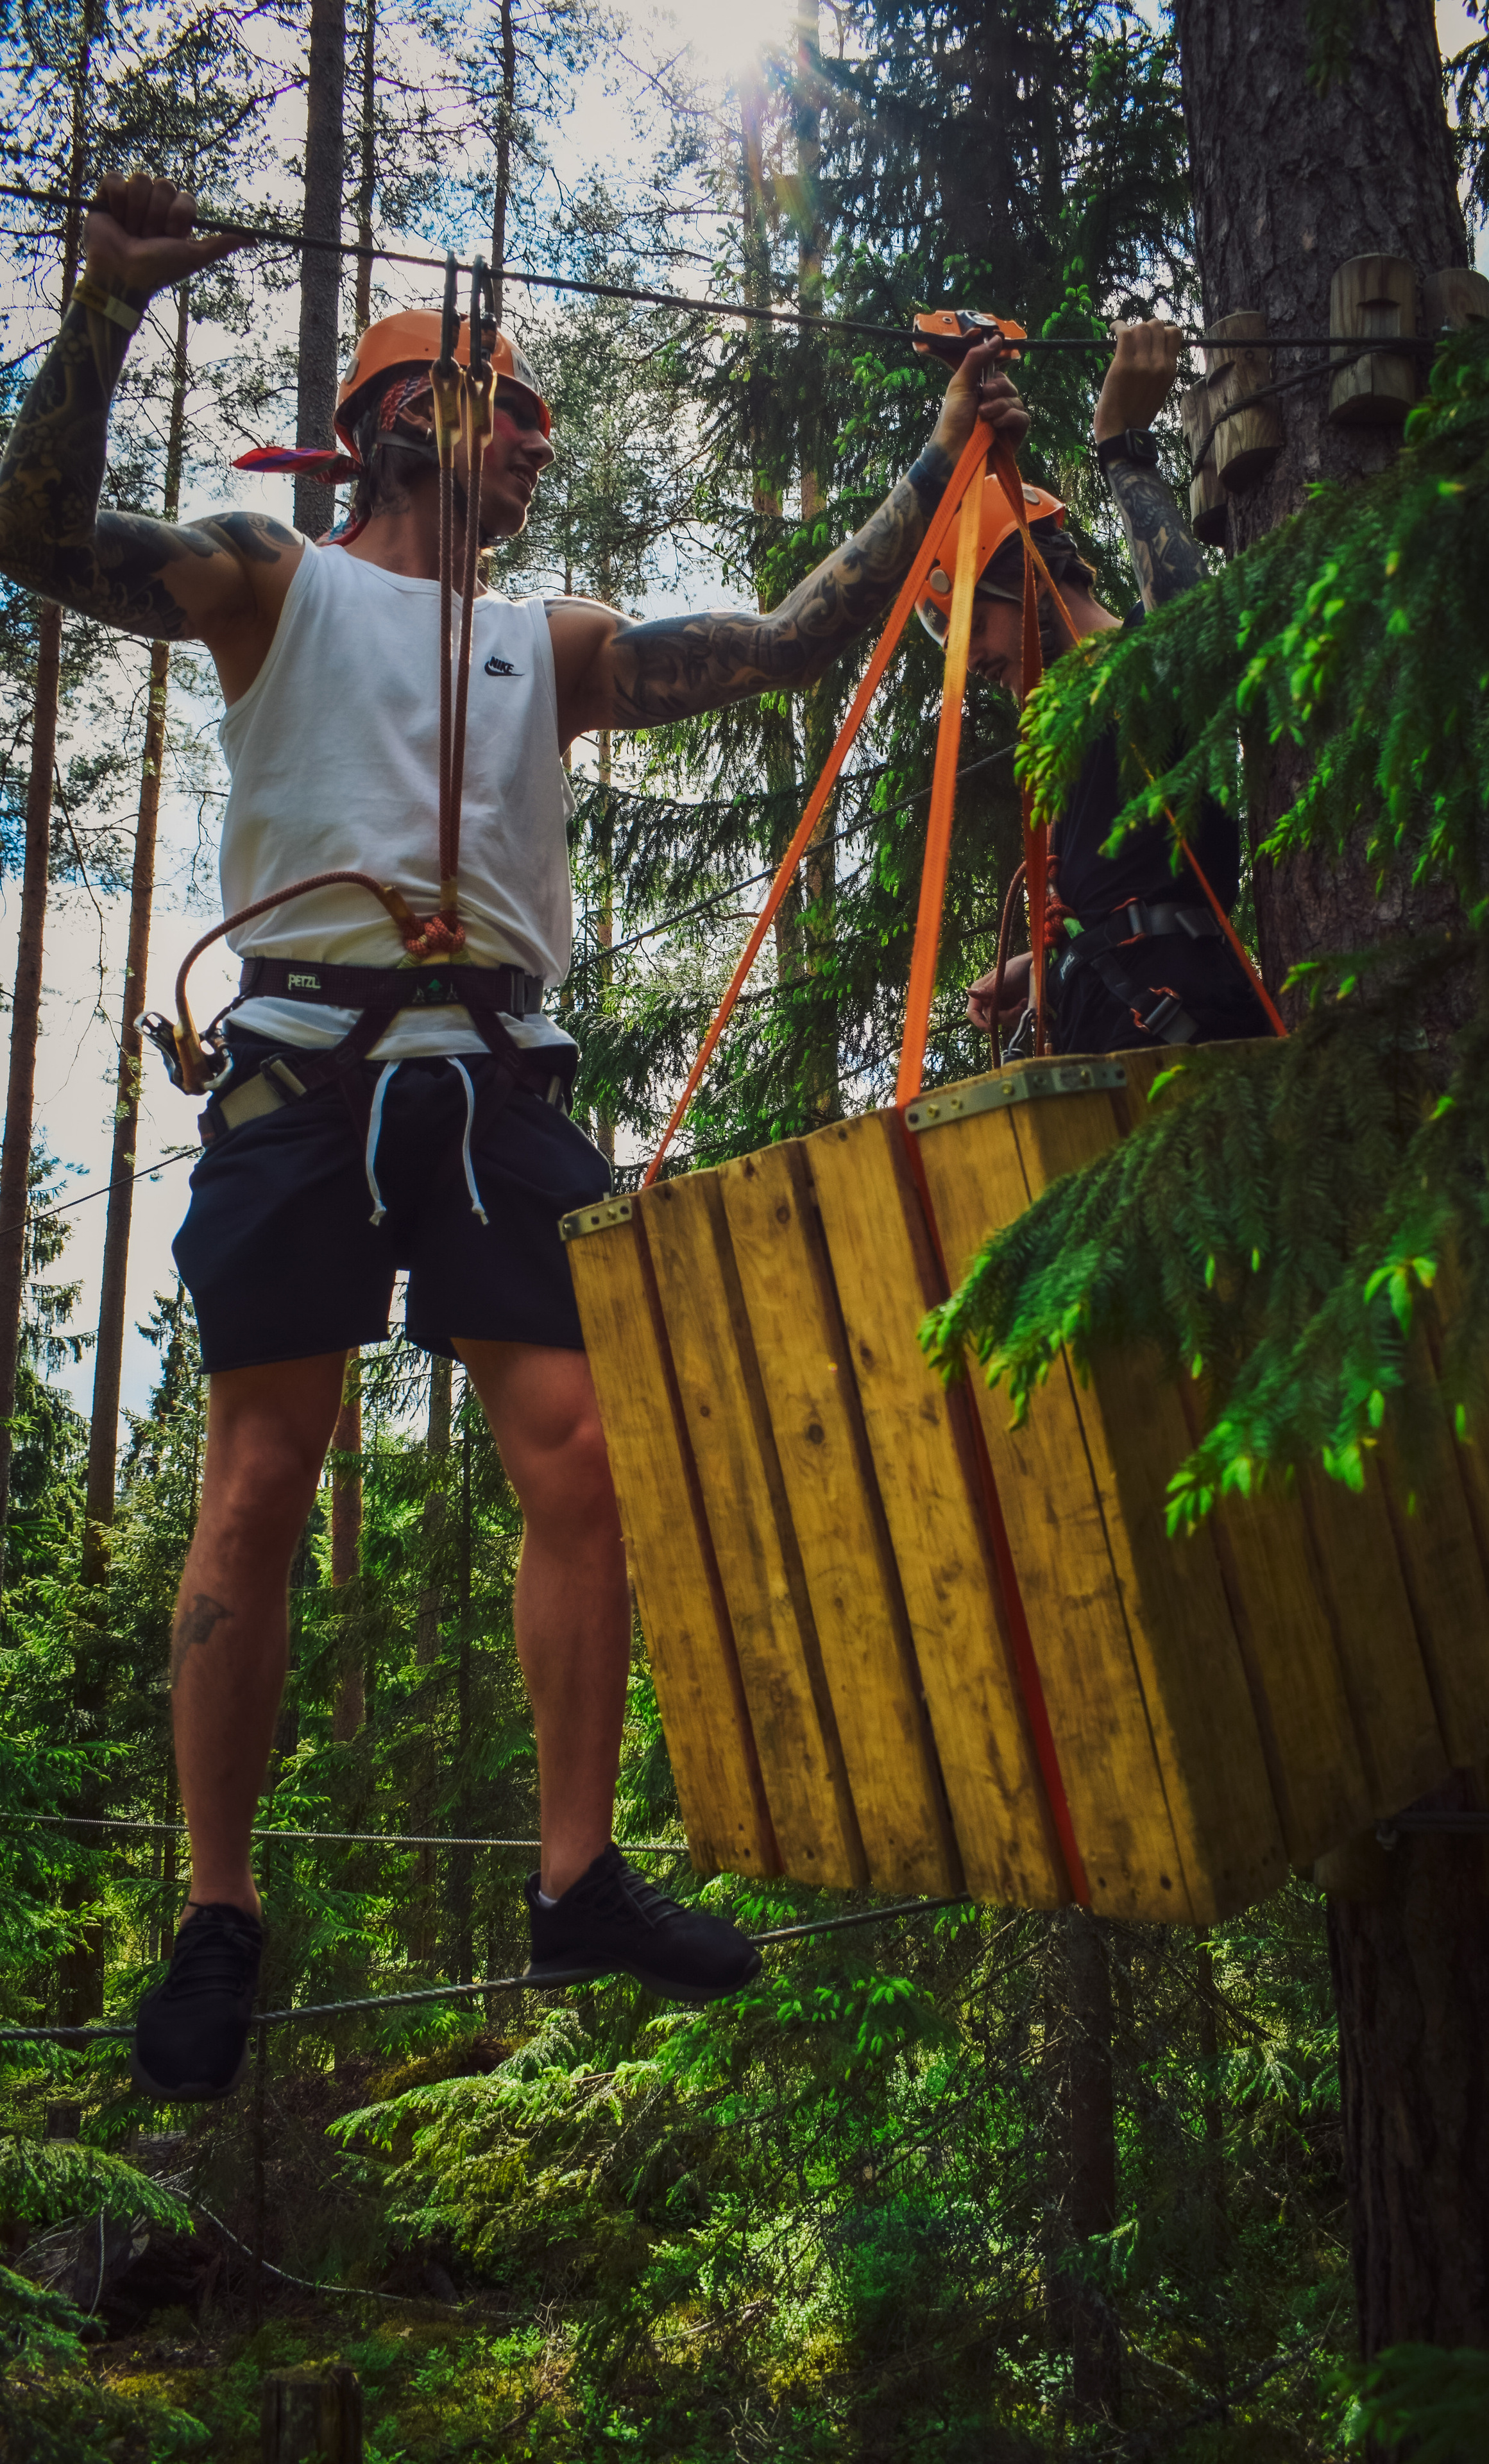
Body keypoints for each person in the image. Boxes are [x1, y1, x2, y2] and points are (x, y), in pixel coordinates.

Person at [0, 173, 1030, 2100]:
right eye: (510, 411)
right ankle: (216, 1912)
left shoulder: (546, 643)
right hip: (305, 1070)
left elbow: (782, 642)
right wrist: (111, 306)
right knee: (259, 1479)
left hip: (491, 1079)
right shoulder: (270, 579)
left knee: (585, 1455)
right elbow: (35, 535)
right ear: (401, 418)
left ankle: (573, 1879)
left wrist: (942, 438)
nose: (539, 448)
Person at [933, 320, 1274, 1057]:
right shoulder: (1069, 737)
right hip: (1111, 1038)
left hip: (1186, 1039)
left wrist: (1121, 444)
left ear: (1029, 575)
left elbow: (1194, 624)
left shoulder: (1141, 664)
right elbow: (1125, 894)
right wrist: (1050, 964)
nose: (973, 663)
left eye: (975, 626)